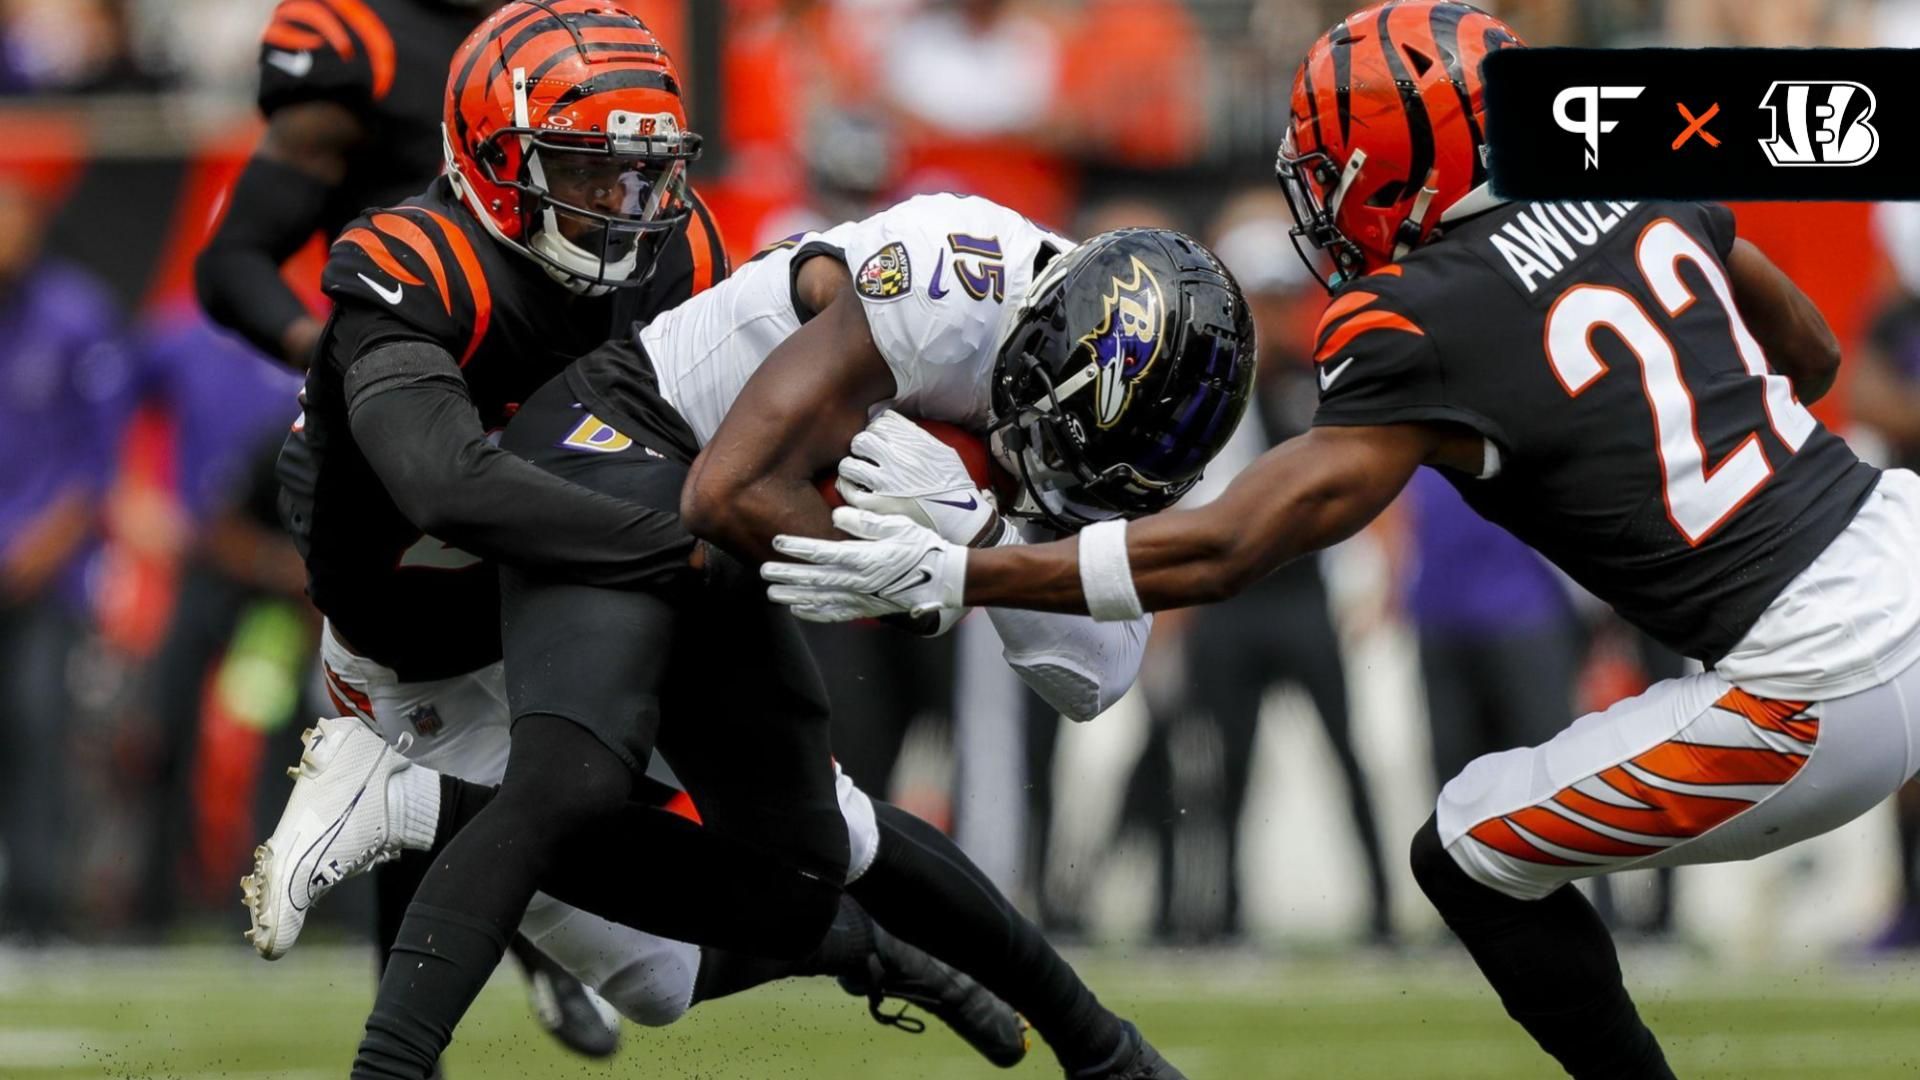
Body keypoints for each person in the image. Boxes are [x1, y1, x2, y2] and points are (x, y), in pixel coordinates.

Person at [759, 4, 1920, 1076]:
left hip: (1813, 681)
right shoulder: (1632, 188)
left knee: (1468, 849)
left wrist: (967, 571)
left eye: (1330, 162)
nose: (1319, 191)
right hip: (1898, 542)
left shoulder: (1418, 316)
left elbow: (1229, 549)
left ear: (1400, 164)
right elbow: (1811, 358)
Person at [246, 182, 1254, 1080]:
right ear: (1041, 337)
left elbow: (1095, 675)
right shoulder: (950, 283)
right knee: (573, 783)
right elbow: (727, 494)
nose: (1058, 475)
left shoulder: (1127, 424)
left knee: (801, 858)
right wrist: (915, 582)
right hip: (629, 444)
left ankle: (1100, 1048)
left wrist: (974, 547)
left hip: (725, 524)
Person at [243, 2, 1032, 1072]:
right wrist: (691, 551)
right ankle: (404, 800)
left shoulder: (683, 253)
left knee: (668, 966)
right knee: (589, 852)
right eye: (579, 174)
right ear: (488, 159)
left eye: (636, 173)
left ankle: (886, 955)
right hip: (415, 651)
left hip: (567, 599)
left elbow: (748, 442)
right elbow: (449, 487)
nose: (619, 205)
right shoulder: (415, 267)